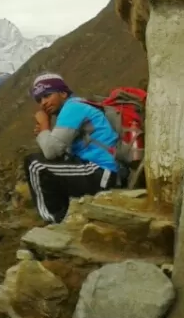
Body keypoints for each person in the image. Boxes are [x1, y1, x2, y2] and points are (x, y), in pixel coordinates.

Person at [23, 72, 122, 223]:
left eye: (47, 95)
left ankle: (53, 221)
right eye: (39, 99)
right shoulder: (75, 107)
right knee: (52, 164)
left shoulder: (73, 108)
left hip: (101, 171)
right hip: (103, 171)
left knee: (35, 165)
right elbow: (58, 152)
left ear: (63, 93)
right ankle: (64, 214)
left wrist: (44, 126)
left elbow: (51, 152)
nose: (43, 102)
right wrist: (45, 131)